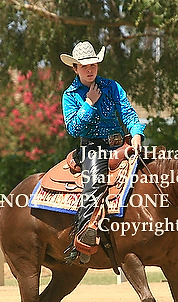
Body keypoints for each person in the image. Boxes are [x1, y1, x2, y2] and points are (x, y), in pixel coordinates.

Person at [60, 41, 145, 262]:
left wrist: (136, 133)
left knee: (151, 170)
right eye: (84, 66)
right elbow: (73, 128)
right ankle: (84, 237)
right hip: (93, 148)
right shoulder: (70, 95)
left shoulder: (112, 87)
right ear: (75, 68)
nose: (90, 70)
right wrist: (89, 103)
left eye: (93, 65)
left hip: (120, 144)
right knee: (94, 185)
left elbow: (128, 113)